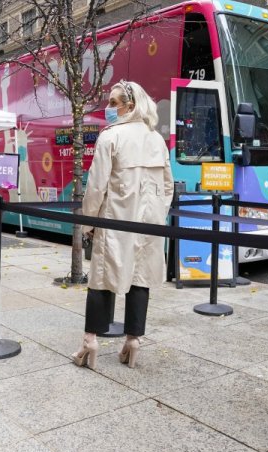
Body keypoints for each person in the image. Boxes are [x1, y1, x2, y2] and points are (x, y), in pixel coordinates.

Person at [71, 80, 173, 370]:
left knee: (102, 277)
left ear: (130, 105)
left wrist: (89, 222)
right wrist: (157, 214)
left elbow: (96, 186)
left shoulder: (110, 137)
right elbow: (167, 186)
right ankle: (133, 340)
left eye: (114, 102)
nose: (109, 107)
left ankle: (90, 340)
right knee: (140, 278)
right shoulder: (156, 139)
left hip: (115, 218)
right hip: (149, 223)